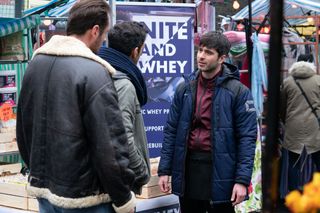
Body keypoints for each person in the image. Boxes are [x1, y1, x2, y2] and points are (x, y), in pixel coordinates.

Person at [16, 1, 136, 213]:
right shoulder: (95, 72)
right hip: (86, 198)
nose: (104, 40)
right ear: (95, 30)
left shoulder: (35, 65)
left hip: (46, 193)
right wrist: (124, 198)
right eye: (105, 33)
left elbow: (24, 129)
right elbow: (110, 147)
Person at [157, 31, 257, 213]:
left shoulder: (238, 92)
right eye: (200, 50)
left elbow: (247, 139)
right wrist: (164, 170)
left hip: (221, 170)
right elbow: (171, 131)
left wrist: (242, 181)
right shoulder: (184, 89)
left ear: (222, 58)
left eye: (208, 52)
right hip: (189, 170)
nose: (201, 56)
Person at [98, 21, 151, 194]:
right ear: (136, 51)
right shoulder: (124, 85)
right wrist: (141, 172)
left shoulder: (95, 71)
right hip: (119, 181)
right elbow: (124, 137)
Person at [280, 59, 320, 196]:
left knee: (293, 162)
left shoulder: (287, 82)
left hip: (293, 125)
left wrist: (285, 120)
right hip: (315, 125)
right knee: (318, 160)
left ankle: (294, 195)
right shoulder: (318, 80)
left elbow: (282, 106)